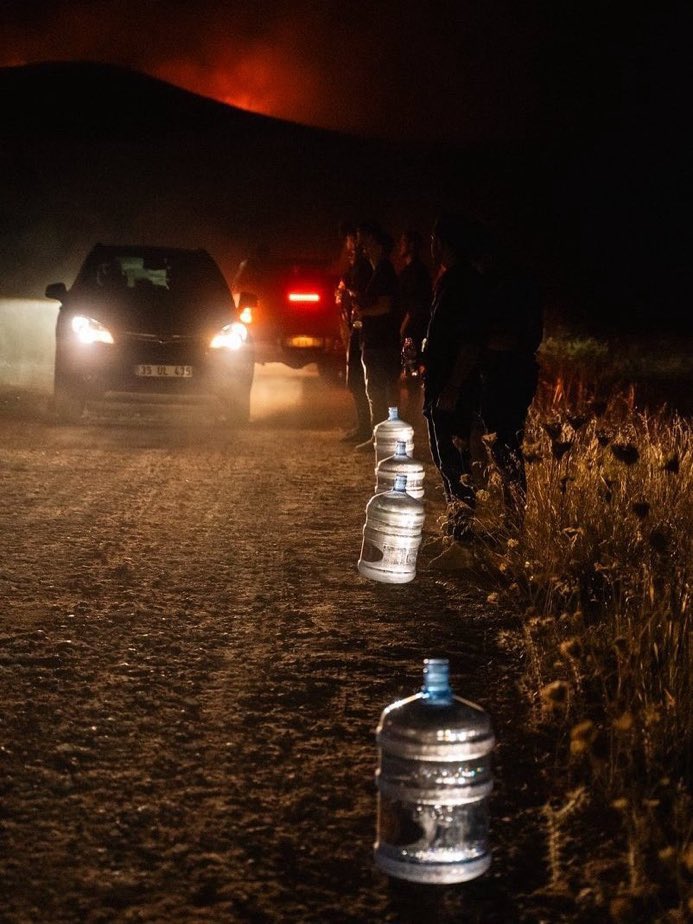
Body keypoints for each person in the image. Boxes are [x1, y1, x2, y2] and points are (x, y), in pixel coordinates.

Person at [421, 213, 487, 538]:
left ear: (445, 244)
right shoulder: (448, 279)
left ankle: (462, 533)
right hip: (439, 381)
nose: (430, 246)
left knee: (454, 461)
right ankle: (456, 525)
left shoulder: (462, 282)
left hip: (451, 386)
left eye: (434, 240)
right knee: (444, 457)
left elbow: (469, 343)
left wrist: (453, 386)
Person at [472, 229, 543, 517]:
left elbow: (520, 338)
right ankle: (506, 512)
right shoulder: (509, 283)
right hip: (502, 373)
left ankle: (514, 518)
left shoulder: (514, 287)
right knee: (499, 446)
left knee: (507, 448)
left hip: (510, 375)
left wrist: (479, 339)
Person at [352, 222, 401, 448]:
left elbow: (386, 305)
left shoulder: (383, 270)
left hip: (380, 342)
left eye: (369, 243)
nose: (364, 247)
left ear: (380, 246)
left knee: (378, 390)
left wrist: (362, 312)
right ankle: (382, 436)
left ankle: (380, 438)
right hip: (378, 341)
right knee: (381, 390)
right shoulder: (379, 270)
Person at [335, 222, 373, 442]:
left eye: (352, 239)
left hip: (362, 328)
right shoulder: (355, 265)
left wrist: (346, 290)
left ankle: (366, 428)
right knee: (357, 379)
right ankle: (363, 424)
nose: (349, 244)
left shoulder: (363, 267)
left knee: (360, 379)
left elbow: (358, 292)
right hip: (354, 327)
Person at [397, 228, 432, 376]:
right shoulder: (409, 270)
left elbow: (416, 303)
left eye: (403, 242)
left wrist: (403, 328)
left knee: (412, 372)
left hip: (412, 331)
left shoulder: (417, 271)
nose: (400, 245)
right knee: (410, 371)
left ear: (411, 245)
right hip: (410, 330)